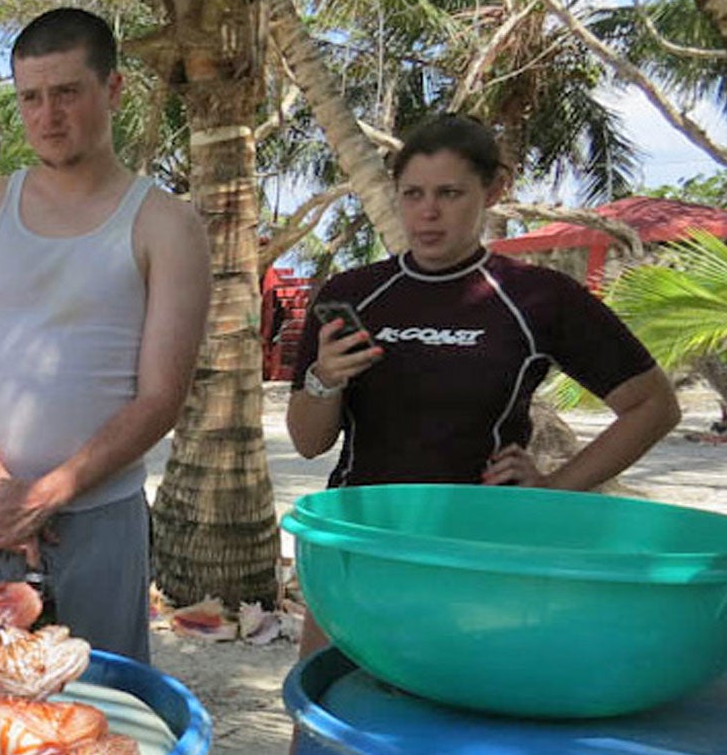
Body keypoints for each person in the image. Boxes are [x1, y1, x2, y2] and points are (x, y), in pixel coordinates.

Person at [287, 113, 681, 652]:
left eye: (449, 193)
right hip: (362, 544)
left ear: (493, 189)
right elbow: (308, 442)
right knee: (327, 717)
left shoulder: (538, 297)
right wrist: (323, 380)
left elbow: (653, 407)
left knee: (454, 722)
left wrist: (555, 490)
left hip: (482, 551)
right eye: (412, 194)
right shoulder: (355, 292)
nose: (428, 212)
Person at [0, 7, 212, 662]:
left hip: (100, 518)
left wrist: (46, 495)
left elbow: (162, 396)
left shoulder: (166, 224)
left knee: (103, 715)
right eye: (31, 97)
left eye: (67, 93)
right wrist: (2, 495)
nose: (48, 115)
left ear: (112, 91)